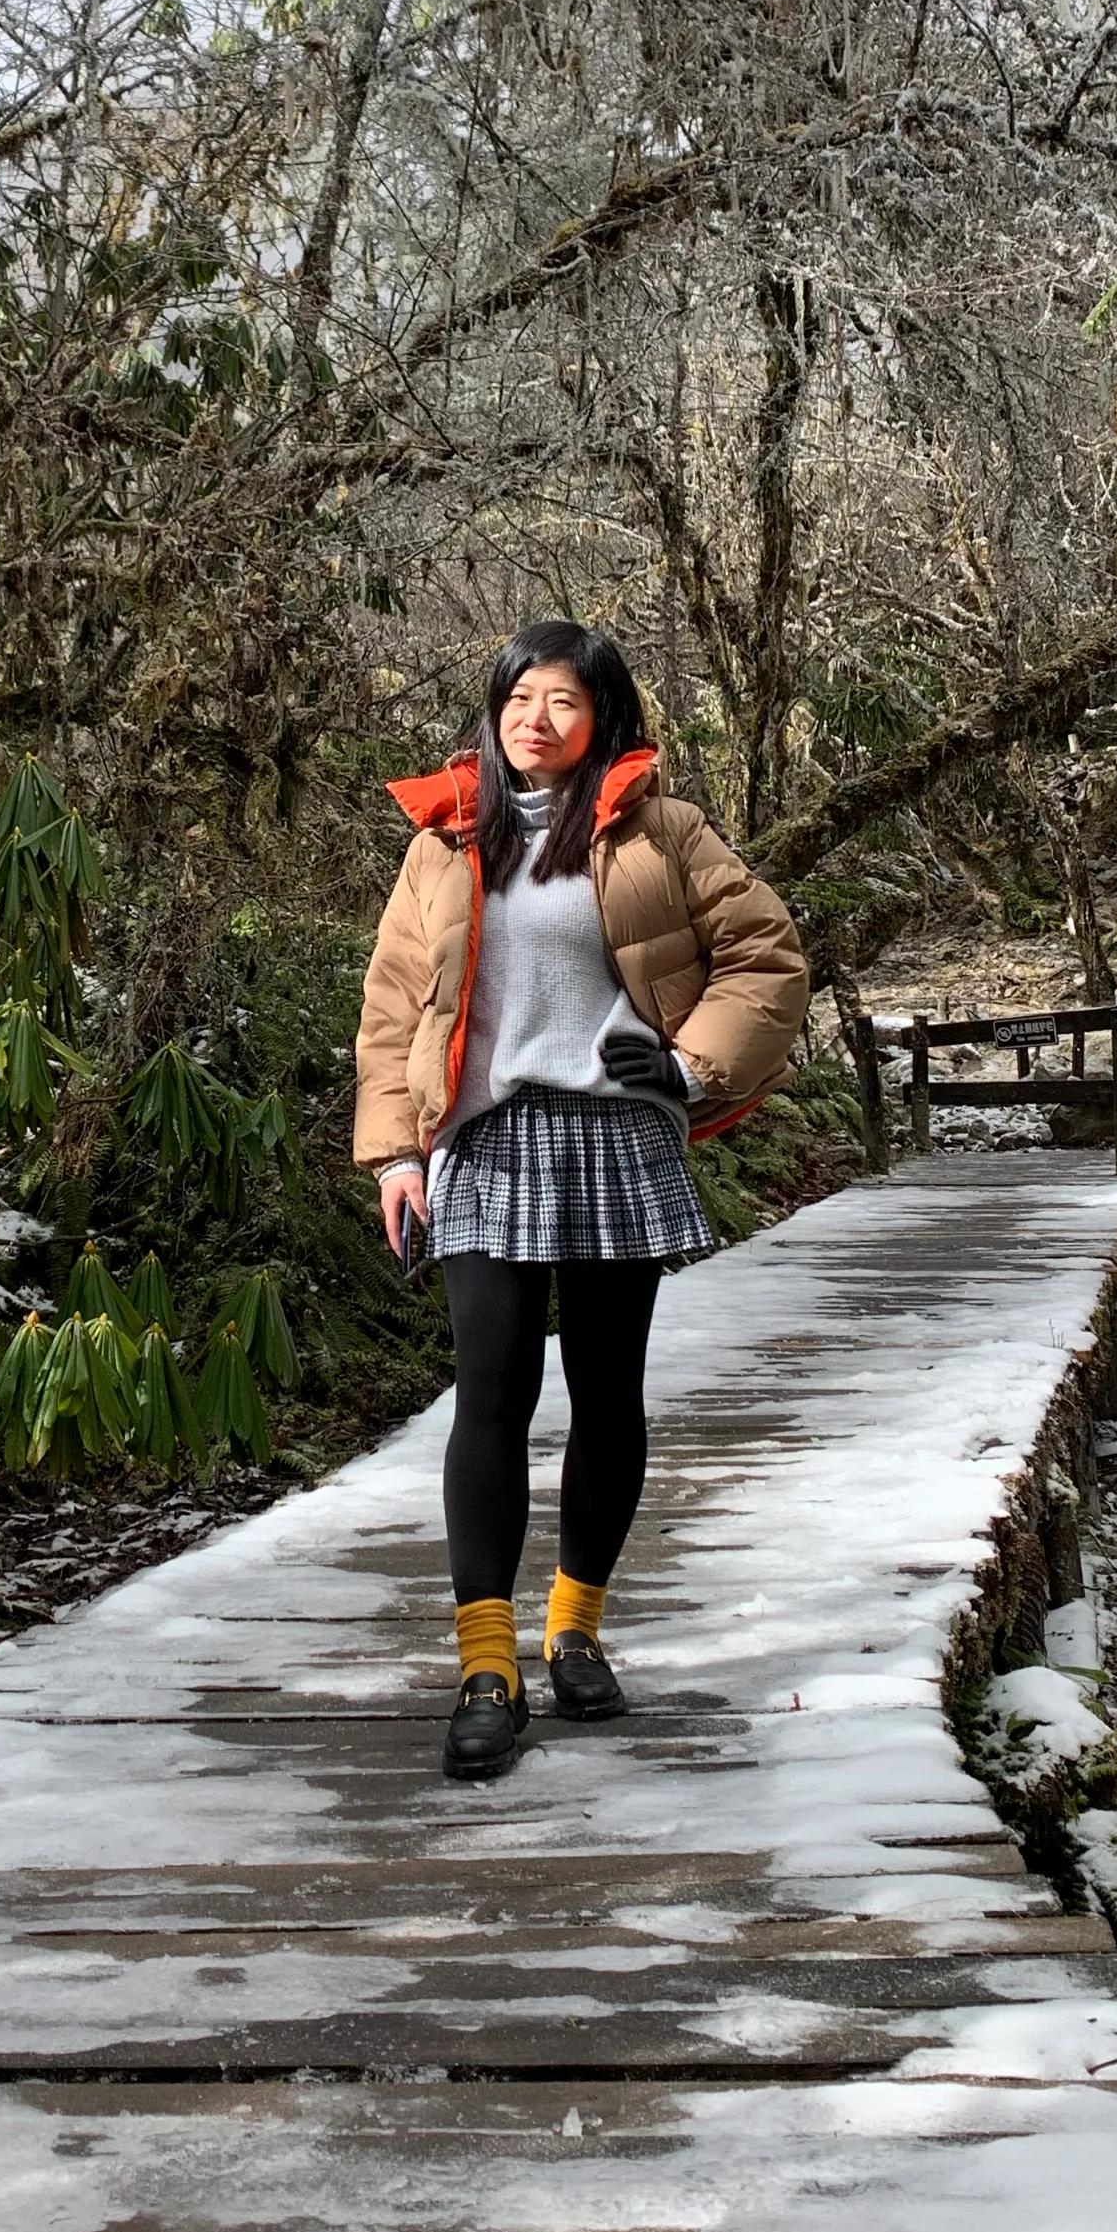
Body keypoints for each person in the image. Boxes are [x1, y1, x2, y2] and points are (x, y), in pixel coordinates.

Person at [353, 622, 809, 1782]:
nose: (536, 718)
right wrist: (398, 1157)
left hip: (613, 1138)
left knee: (607, 1399)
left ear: (603, 715)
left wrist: (694, 1064)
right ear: (493, 708)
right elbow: (396, 1009)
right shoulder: (447, 842)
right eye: (519, 696)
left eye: (563, 699)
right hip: (487, 1142)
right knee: (490, 1397)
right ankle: (486, 1666)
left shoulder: (661, 828)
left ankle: (576, 1629)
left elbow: (766, 952)